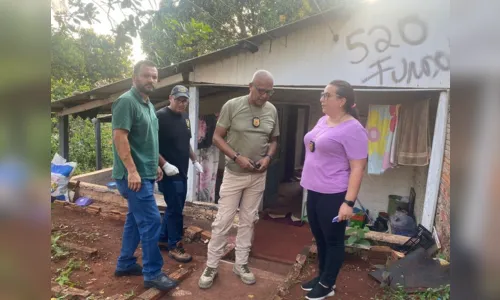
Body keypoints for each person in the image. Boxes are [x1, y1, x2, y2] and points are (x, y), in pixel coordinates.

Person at [198, 70, 280, 289]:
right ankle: (212, 265)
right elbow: (216, 137)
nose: (265, 96)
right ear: (250, 86)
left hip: (257, 176)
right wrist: (236, 156)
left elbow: (274, 140)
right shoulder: (232, 106)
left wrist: (268, 157)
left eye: (269, 92)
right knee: (223, 220)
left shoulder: (272, 110)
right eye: (261, 91)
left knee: (248, 221)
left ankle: (241, 264)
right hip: (235, 174)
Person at [111, 60, 177, 291]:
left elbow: (147, 141)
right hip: (132, 176)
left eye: (154, 76)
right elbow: (120, 138)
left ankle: (125, 263)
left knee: (134, 219)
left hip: (145, 173)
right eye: (146, 75)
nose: (151, 80)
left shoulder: (148, 105)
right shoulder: (126, 102)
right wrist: (132, 170)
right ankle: (152, 273)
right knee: (151, 221)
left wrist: (156, 165)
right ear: (134, 78)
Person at [299, 80, 368, 300]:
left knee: (334, 239)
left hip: (334, 193)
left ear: (342, 100)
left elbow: (358, 167)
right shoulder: (323, 120)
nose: (322, 98)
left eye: (327, 95)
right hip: (314, 189)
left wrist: (348, 203)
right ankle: (322, 277)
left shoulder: (353, 129)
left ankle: (328, 284)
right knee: (319, 237)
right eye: (322, 94)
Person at [156, 85, 204, 263]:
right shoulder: (160, 116)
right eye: (178, 100)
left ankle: (162, 238)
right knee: (176, 209)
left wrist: (195, 160)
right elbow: (150, 144)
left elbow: (186, 142)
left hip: (182, 170)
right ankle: (175, 245)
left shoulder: (185, 118)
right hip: (168, 173)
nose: (182, 103)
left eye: (185, 100)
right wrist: (164, 164)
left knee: (174, 207)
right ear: (170, 98)